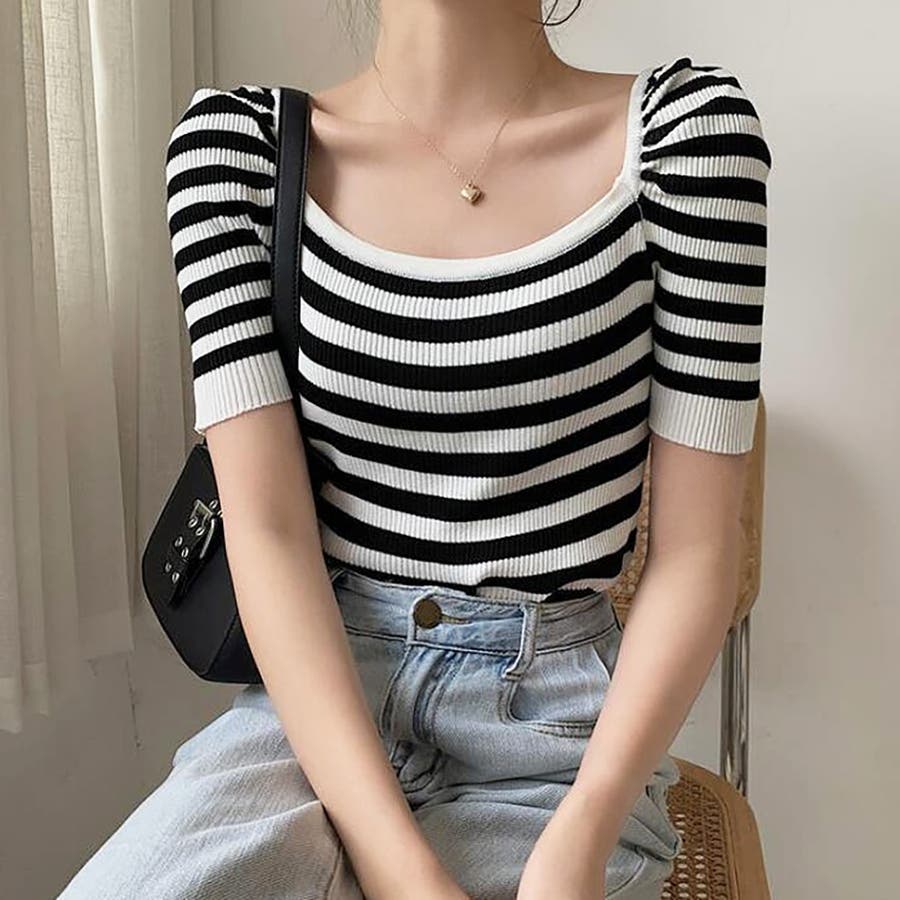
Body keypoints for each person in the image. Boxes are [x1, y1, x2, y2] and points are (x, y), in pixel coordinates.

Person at [57, 1, 772, 898]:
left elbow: (699, 550)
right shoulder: (235, 155)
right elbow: (267, 533)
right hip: (317, 713)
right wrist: (398, 871)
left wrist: (583, 835)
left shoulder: (688, 142)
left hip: (561, 738)